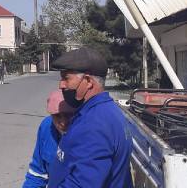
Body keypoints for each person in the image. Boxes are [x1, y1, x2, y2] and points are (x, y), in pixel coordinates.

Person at [48, 47, 133, 188]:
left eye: (66, 78)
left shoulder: (95, 124)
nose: (61, 84)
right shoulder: (103, 111)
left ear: (88, 81)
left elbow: (82, 183)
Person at [22, 90, 76, 188]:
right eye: (57, 116)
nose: (63, 122)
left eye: (68, 115)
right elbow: (37, 173)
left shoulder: (86, 133)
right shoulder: (47, 127)